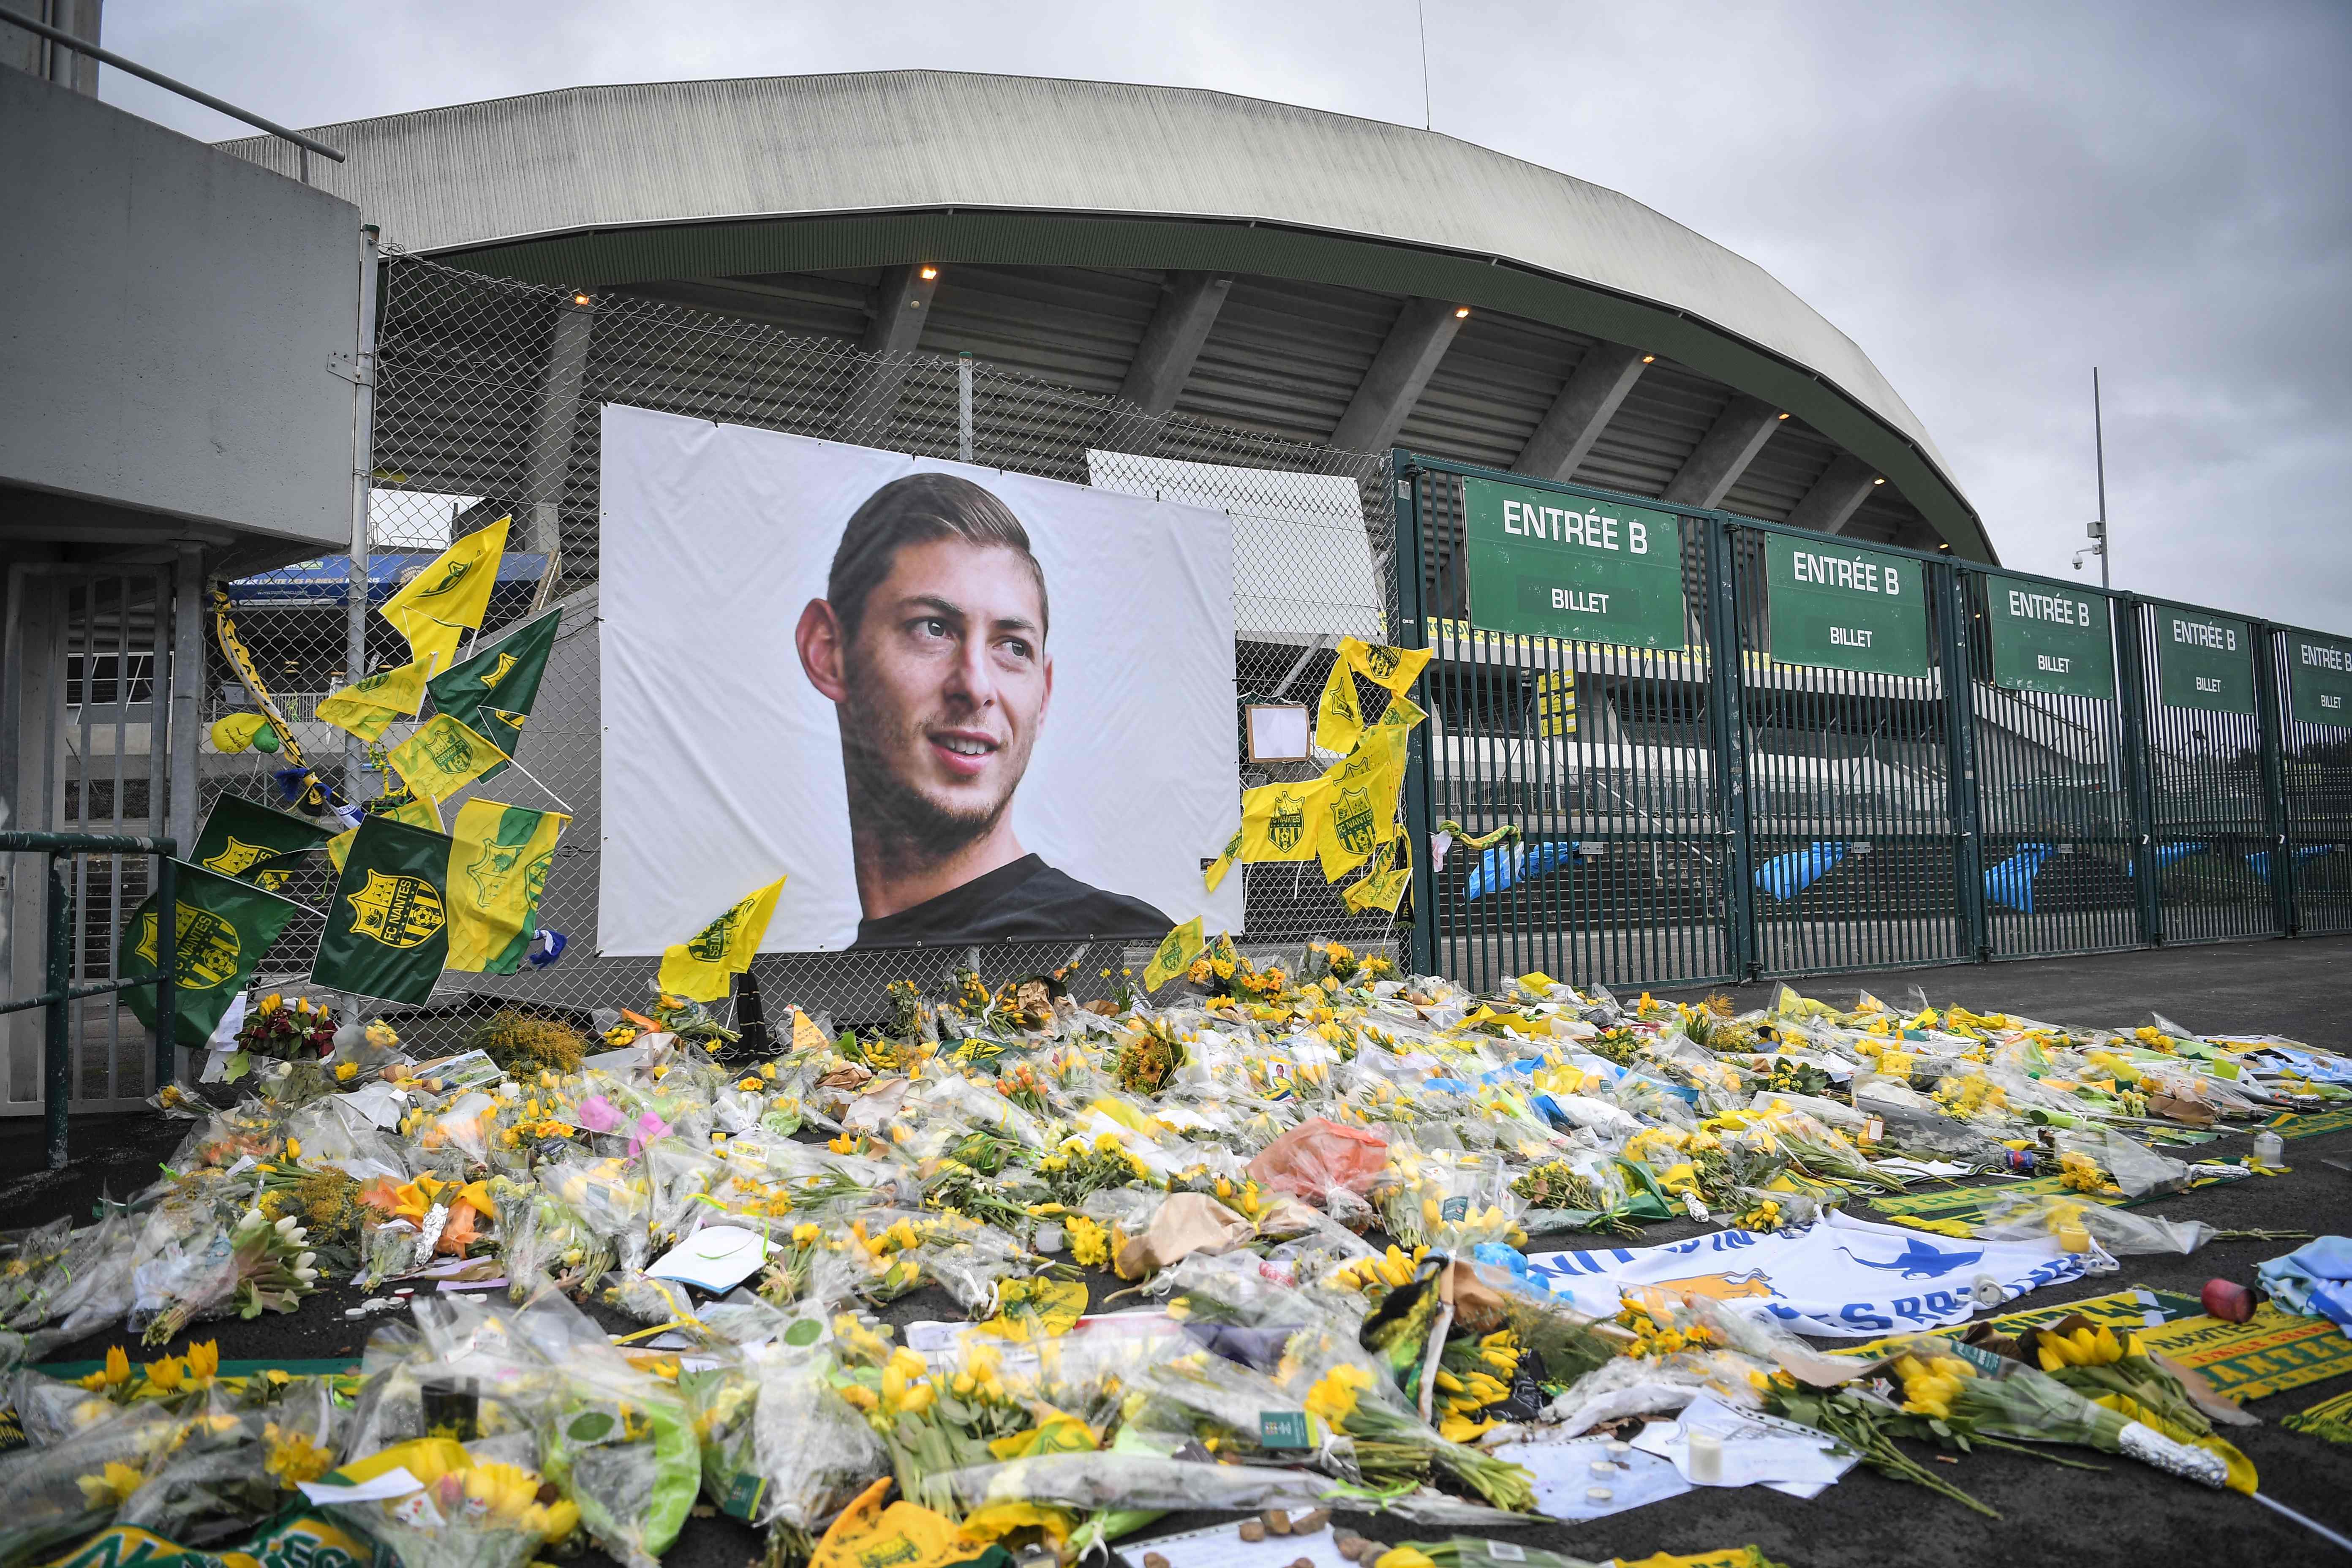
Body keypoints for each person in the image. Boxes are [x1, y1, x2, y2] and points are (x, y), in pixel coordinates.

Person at [795, 471, 1171, 947]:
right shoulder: (817, 985)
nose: (975, 687)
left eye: (1013, 647)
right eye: (932, 628)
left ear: (1044, 696)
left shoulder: (1122, 947)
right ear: (828, 651)